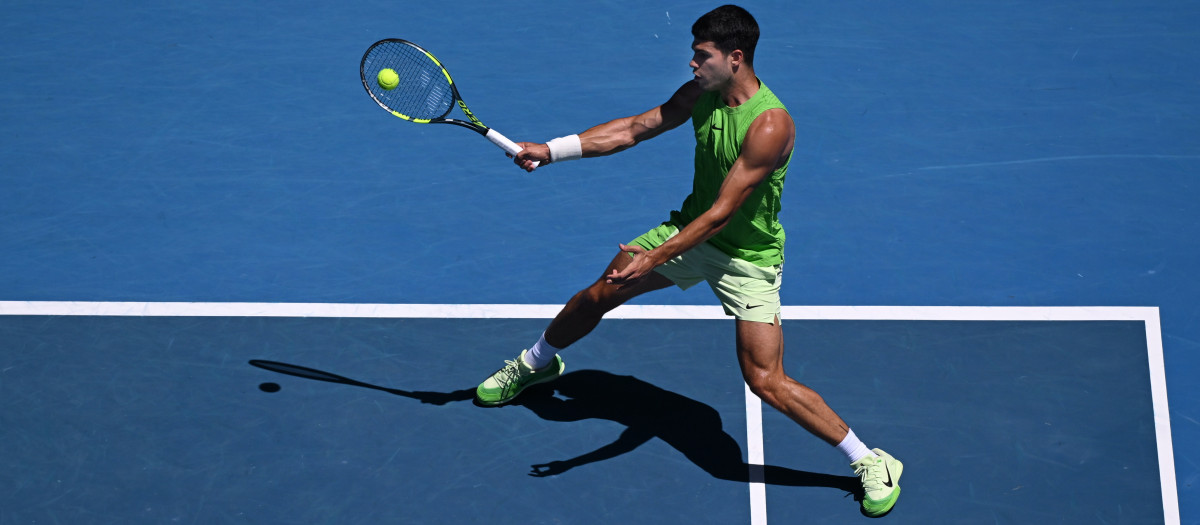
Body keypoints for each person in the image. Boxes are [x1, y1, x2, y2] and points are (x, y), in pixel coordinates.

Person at [474, 4, 903, 517]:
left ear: (735, 58)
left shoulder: (769, 125)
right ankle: (535, 364)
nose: (693, 65)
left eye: (702, 56)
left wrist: (651, 257)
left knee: (765, 379)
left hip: (747, 256)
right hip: (688, 231)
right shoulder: (702, 93)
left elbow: (723, 215)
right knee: (597, 296)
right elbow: (636, 127)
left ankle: (870, 460)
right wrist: (551, 149)